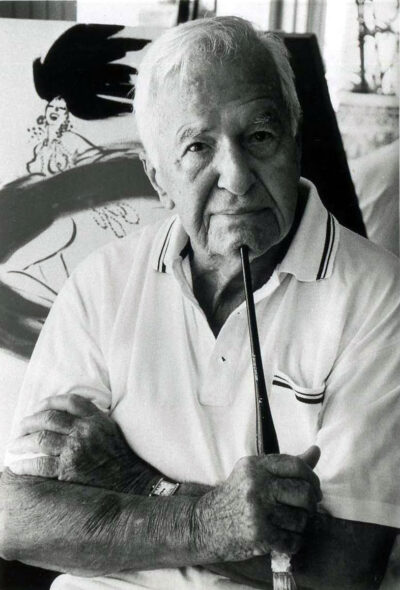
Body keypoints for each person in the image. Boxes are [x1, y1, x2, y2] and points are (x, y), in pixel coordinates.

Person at [1, 16, 399, 590]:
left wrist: (133, 484)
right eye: (197, 147)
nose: (236, 177)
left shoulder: (379, 296)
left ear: (294, 139)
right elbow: (17, 518)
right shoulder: (103, 283)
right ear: (157, 176)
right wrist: (210, 522)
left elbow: (344, 569)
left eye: (259, 137)